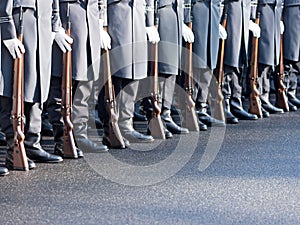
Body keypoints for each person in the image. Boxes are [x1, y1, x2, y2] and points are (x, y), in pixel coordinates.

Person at [0, 0, 64, 170]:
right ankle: (13, 148)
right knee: (14, 86)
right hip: (20, 17)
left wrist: (54, 23)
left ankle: (32, 143)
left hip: (42, 18)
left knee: (39, 84)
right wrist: (7, 31)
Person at [48, 0, 109, 155]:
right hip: (67, 17)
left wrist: (101, 21)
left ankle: (80, 136)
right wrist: (55, 27)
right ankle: (63, 139)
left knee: (85, 84)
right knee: (61, 83)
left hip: (91, 18)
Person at [98, 0, 159, 144]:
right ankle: (110, 126)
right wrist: (102, 24)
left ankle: (126, 124)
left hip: (138, 12)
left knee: (135, 72)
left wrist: (149, 21)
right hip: (117, 13)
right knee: (116, 71)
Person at [190, 0, 226, 127]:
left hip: (213, 11)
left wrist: (221, 16)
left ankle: (202, 106)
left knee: (209, 61)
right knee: (196, 62)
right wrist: (185, 18)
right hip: (196, 10)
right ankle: (191, 108)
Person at [222, 0, 258, 123]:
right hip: (229, 10)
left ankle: (236, 102)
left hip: (244, 10)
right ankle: (225, 102)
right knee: (229, 59)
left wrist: (252, 16)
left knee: (240, 58)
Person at [251, 0, 284, 115]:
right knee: (263, 57)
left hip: (274, 8)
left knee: (271, 58)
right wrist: (251, 16)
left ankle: (265, 96)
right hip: (262, 9)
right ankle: (258, 97)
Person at [282, 0, 300, 110]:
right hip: (291, 5)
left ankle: (292, 91)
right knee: (291, 51)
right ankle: (286, 90)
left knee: (297, 53)